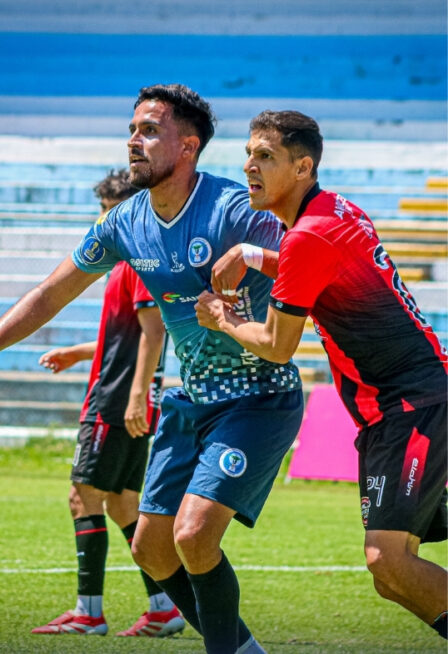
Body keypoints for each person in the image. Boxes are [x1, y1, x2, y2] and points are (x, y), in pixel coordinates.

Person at [0, 84, 303, 653]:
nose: (134, 140)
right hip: (191, 398)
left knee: (194, 535)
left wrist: (252, 269)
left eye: (151, 130)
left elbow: (307, 261)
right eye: (133, 129)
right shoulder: (124, 222)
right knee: (150, 548)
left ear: (188, 147)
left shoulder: (233, 209)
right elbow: (51, 292)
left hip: (258, 397)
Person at [195, 110, 447, 640]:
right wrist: (249, 251)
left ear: (303, 166)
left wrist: (224, 318)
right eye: (249, 154)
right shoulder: (335, 211)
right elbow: (313, 265)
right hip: (404, 408)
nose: (249, 167)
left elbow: (277, 346)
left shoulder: (309, 235)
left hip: (412, 407)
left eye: (265, 156)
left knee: (389, 561)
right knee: (392, 576)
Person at [30, 170, 184, 637]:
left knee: (83, 497)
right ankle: (164, 608)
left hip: (116, 401)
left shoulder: (135, 259)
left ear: (124, 212)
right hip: (129, 396)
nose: (99, 222)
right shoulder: (134, 261)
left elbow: (155, 331)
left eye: (105, 211)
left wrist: (136, 396)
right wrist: (79, 354)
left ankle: (88, 614)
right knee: (121, 503)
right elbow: (132, 334)